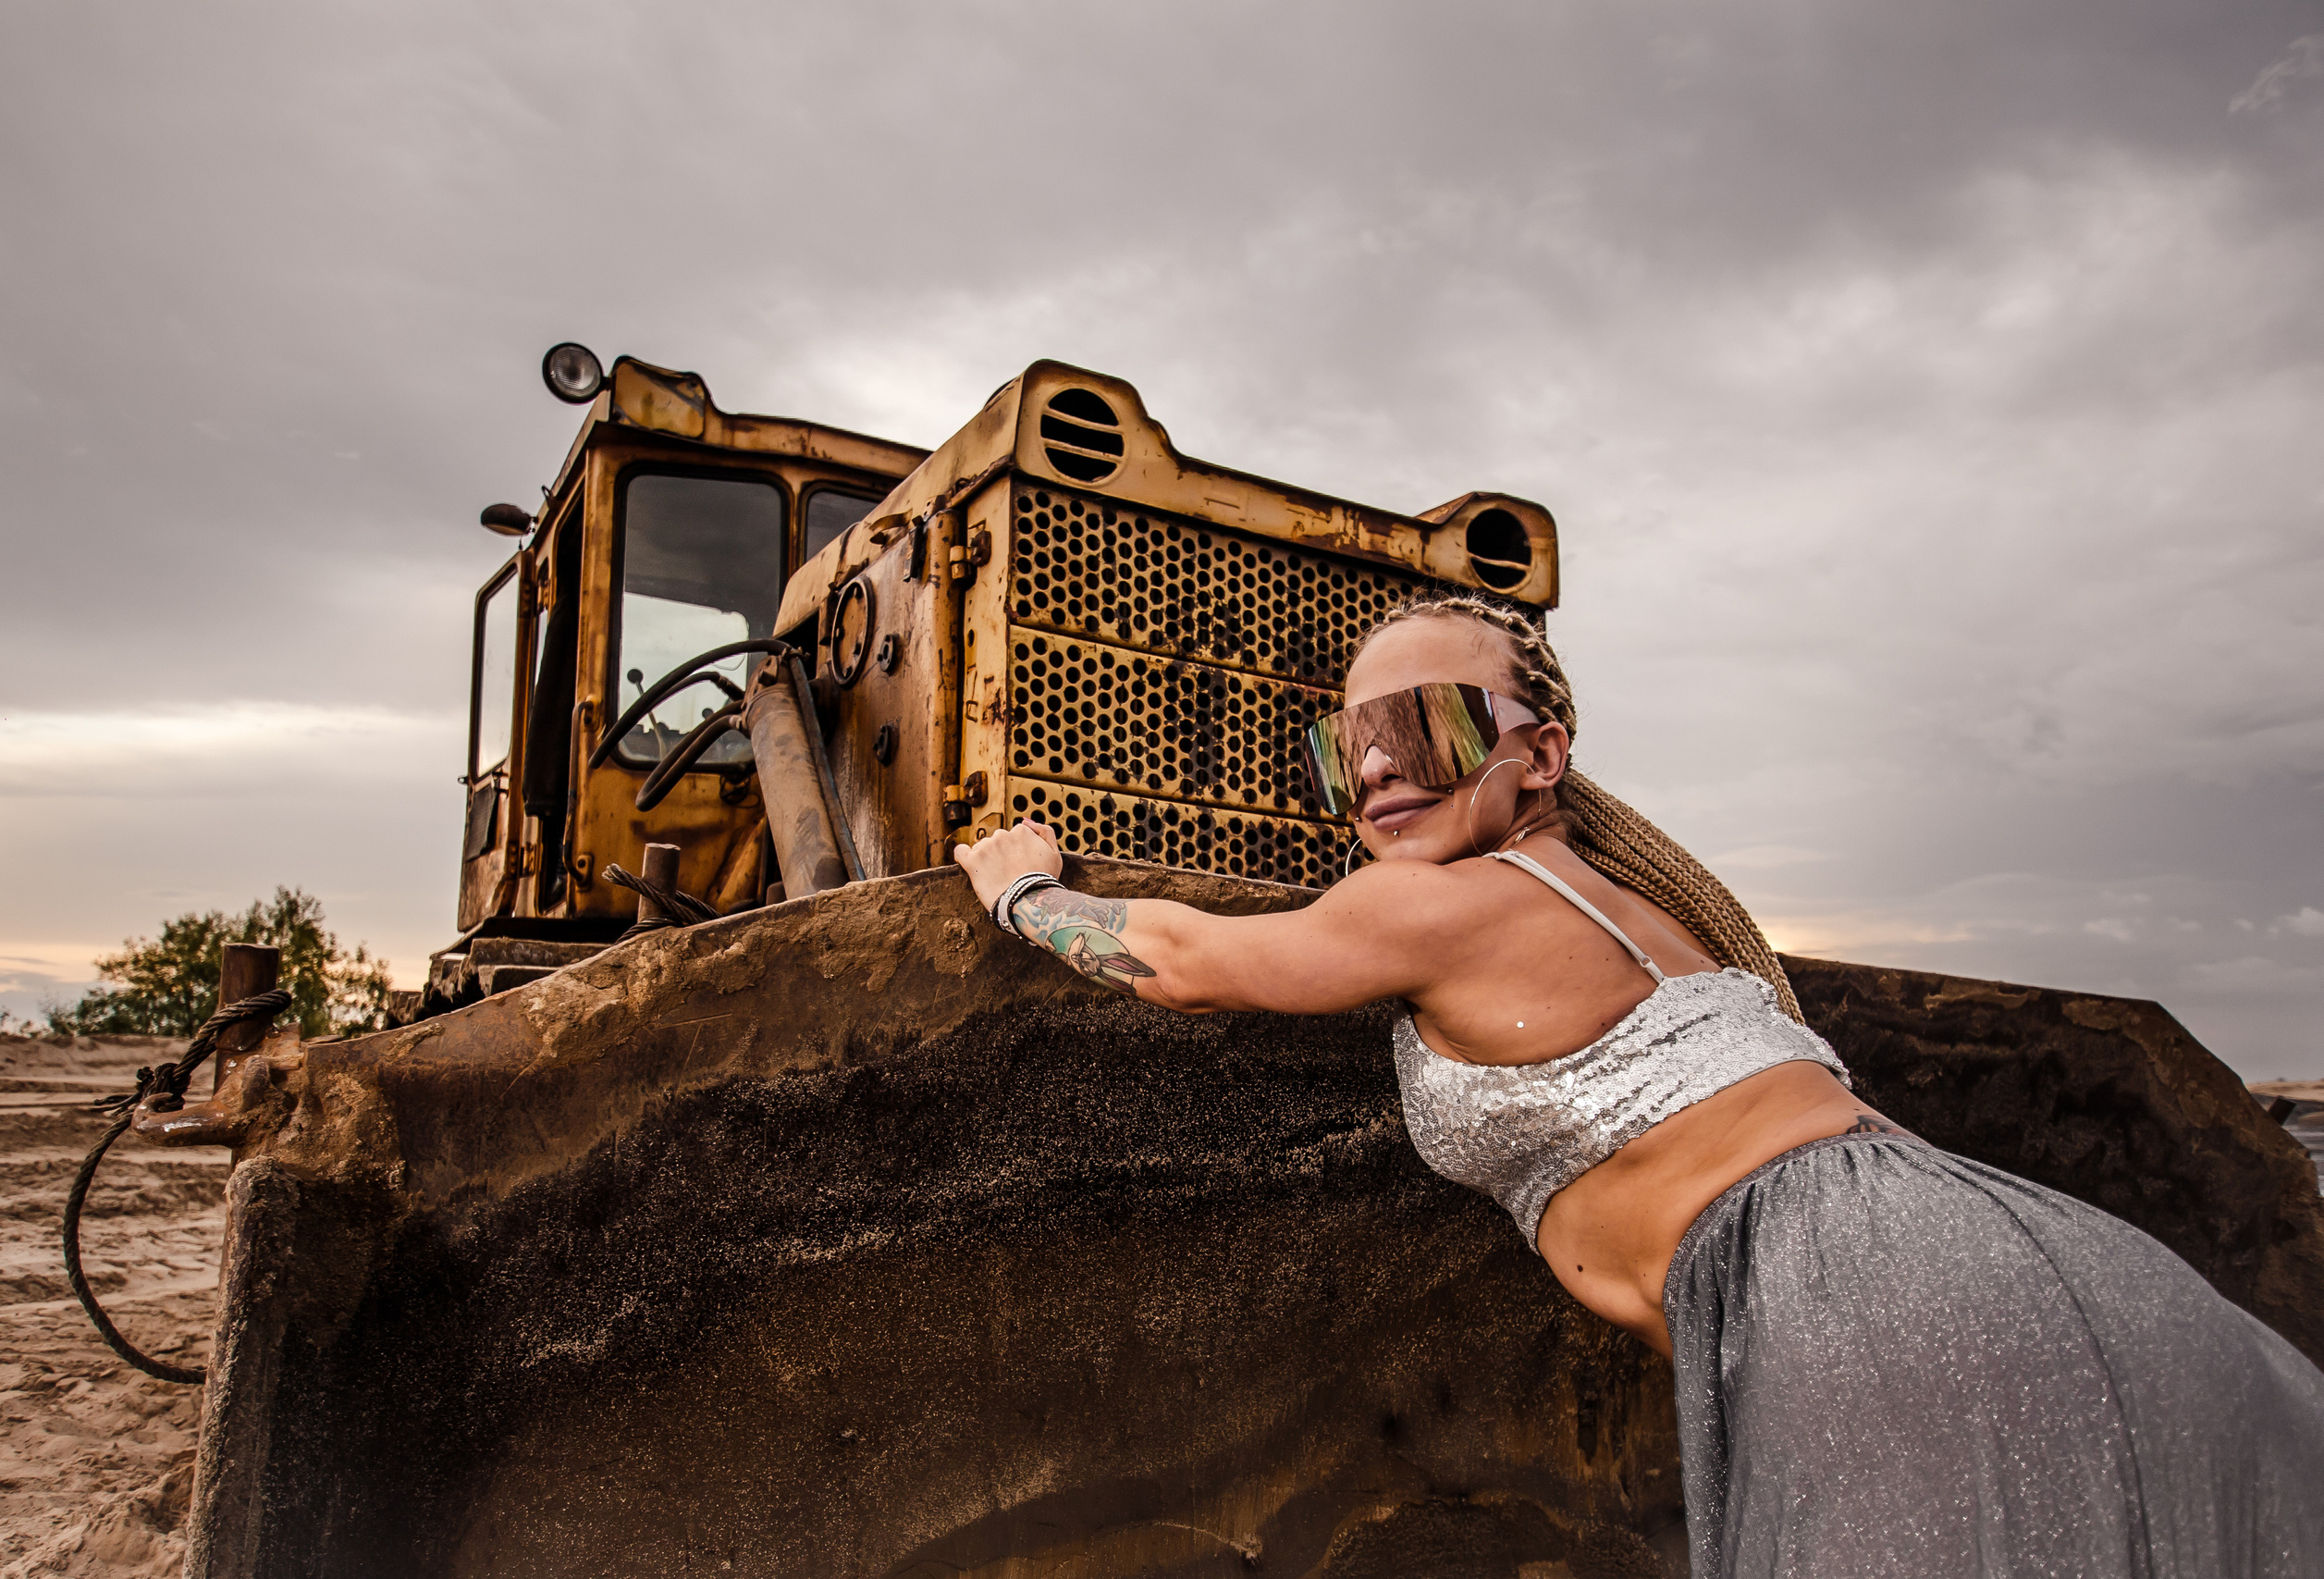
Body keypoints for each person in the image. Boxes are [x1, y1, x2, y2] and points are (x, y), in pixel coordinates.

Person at [953, 586, 2324, 1578]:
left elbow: (1189, 962)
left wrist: (1023, 894)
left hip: (1876, 1315)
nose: (1374, 764)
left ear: (1536, 755)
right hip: (2017, 1263)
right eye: (1343, 740)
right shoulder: (1634, 913)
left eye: (1423, 726)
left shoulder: (1447, 900)